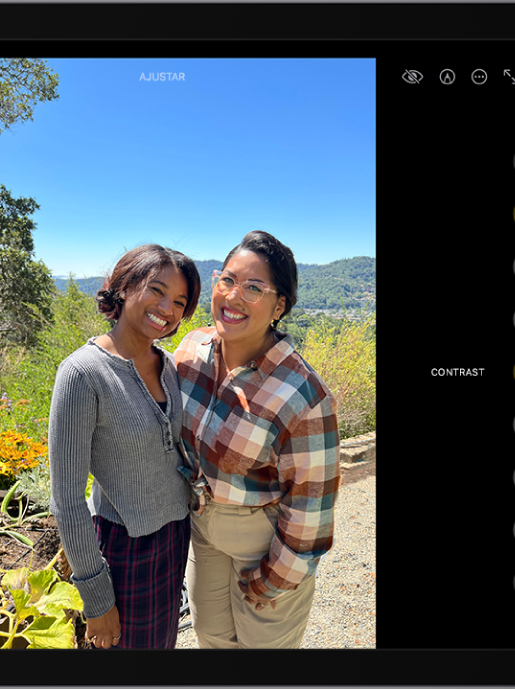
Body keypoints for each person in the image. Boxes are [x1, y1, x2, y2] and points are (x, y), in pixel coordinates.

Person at [174, 230, 340, 649]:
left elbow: (310, 505)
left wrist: (274, 580)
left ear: (279, 305)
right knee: (210, 635)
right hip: (203, 527)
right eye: (227, 280)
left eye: (254, 288)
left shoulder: (301, 393)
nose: (233, 296)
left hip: (262, 538)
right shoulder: (192, 351)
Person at [49, 244, 201, 649]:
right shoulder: (82, 373)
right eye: (156, 290)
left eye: (179, 302)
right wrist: (96, 599)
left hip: (174, 538)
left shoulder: (167, 365)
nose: (167, 308)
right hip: (124, 548)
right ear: (124, 287)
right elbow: (66, 500)